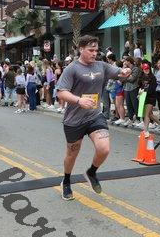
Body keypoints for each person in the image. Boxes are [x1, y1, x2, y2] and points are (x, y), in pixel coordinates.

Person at [56, 35, 131, 201]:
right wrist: (79, 100)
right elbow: (60, 92)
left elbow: (119, 73)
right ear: (81, 49)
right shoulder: (72, 69)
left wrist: (125, 72)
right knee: (72, 154)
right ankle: (66, 181)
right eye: (90, 50)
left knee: (104, 148)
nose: (94, 53)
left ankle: (91, 172)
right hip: (74, 119)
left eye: (96, 50)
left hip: (94, 115)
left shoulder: (101, 66)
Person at [140, 63, 160, 137]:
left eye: (147, 69)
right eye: (145, 69)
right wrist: (140, 93)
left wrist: (144, 92)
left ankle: (146, 131)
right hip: (143, 96)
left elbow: (152, 88)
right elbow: (140, 86)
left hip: (150, 97)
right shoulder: (142, 77)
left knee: (146, 114)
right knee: (149, 114)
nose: (146, 70)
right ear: (142, 70)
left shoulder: (152, 77)